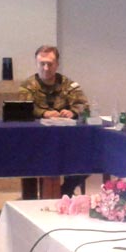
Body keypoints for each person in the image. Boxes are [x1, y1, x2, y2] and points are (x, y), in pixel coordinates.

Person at [19, 45, 88, 196]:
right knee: (25, 158)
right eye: (42, 63)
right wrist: (44, 113)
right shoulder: (28, 85)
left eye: (50, 64)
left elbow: (83, 105)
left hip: (66, 139)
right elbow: (23, 108)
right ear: (36, 64)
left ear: (57, 64)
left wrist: (72, 112)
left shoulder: (68, 84)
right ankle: (30, 199)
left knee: (88, 154)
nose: (46, 68)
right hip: (35, 140)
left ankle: (66, 189)